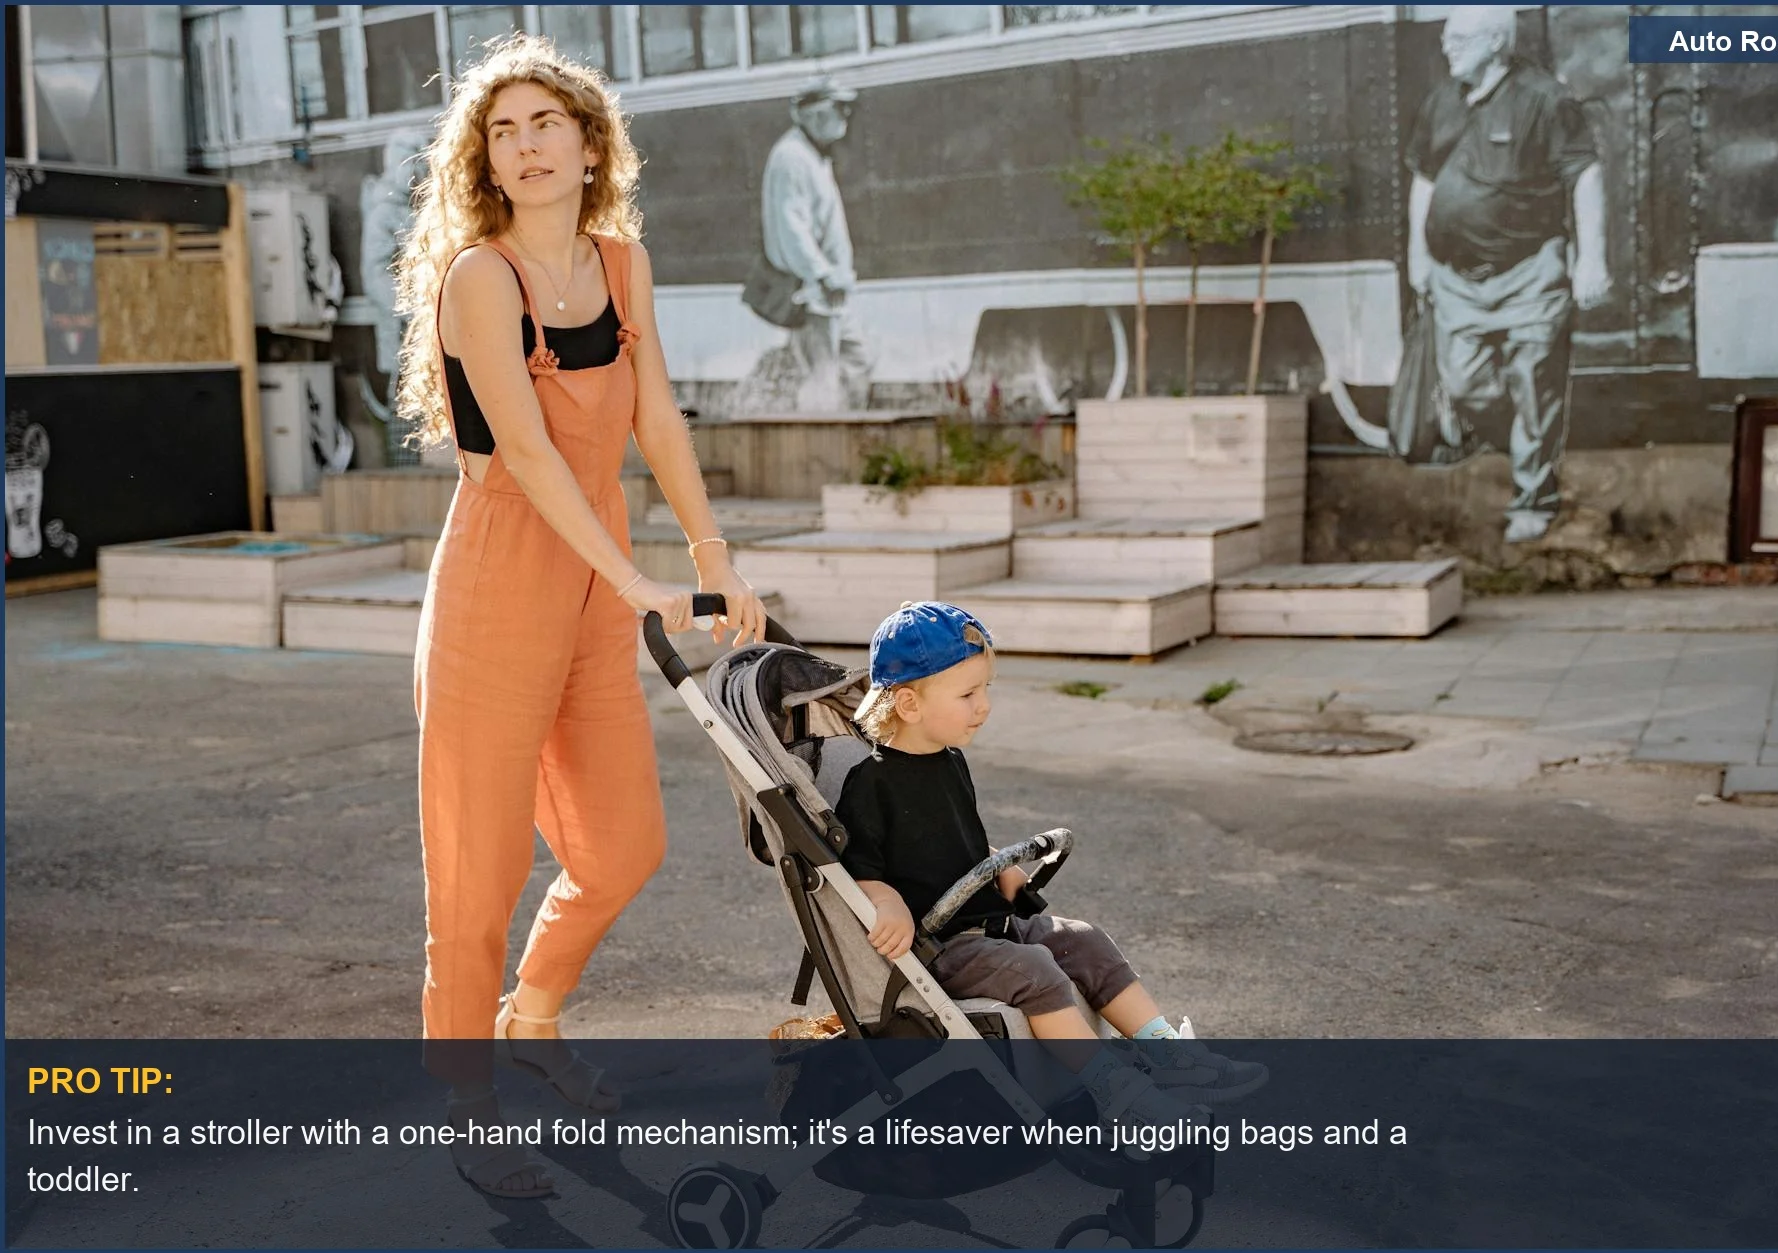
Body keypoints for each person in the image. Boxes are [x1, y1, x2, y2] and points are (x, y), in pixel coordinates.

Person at [390, 33, 768, 1199]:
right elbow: (532, 459)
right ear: (485, 162)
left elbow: (655, 417)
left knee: (621, 846)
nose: (524, 144)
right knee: (479, 869)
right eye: (501, 130)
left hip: (594, 596)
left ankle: (533, 1013)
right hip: (498, 590)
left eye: (544, 122)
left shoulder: (621, 262)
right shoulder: (478, 278)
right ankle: (470, 1106)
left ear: (590, 142)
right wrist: (639, 576)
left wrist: (711, 556)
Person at [836, 602, 1268, 1126]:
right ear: (908, 703)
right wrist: (886, 902)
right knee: (1035, 969)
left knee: (1083, 939)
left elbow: (949, 836)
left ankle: (1170, 1056)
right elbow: (861, 865)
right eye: (969, 693)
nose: (984, 705)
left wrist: (993, 862)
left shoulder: (949, 759)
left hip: (987, 922)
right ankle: (1115, 1089)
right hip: (939, 946)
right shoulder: (871, 783)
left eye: (986, 689)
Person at [1405, 5, 1610, 545]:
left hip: (1530, 271)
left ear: (1497, 41)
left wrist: (1592, 257)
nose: (1448, 48)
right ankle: (1524, 441)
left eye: (1460, 39)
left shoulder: (1546, 99)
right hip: (1455, 277)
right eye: (1446, 38)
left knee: (1535, 385)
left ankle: (1533, 499)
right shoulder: (1441, 101)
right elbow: (1424, 181)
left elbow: (1585, 175)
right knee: (1464, 384)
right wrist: (1417, 255)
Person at [759, 75, 872, 411]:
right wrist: (822, 274)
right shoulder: (791, 158)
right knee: (823, 375)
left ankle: (847, 433)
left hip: (829, 292)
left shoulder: (809, 155)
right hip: (815, 293)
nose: (845, 117)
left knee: (856, 360)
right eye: (839, 108)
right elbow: (792, 227)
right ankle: (824, 445)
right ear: (815, 115)